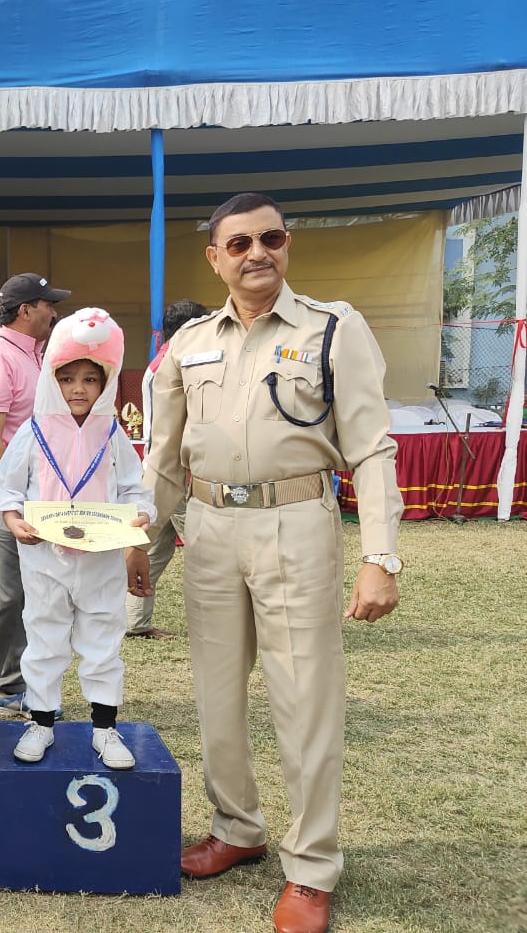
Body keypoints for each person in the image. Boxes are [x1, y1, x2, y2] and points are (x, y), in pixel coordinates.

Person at [133, 193, 402, 933]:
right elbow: (164, 460)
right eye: (240, 243)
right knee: (216, 691)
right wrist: (138, 539)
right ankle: (237, 827)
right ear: (214, 258)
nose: (258, 253)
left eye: (272, 238)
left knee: (304, 695)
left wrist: (381, 556)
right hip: (209, 527)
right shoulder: (188, 343)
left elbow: (372, 447)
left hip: (297, 522)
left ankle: (311, 865)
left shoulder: (332, 329)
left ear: (288, 245)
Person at [0, 307, 154, 768]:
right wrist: (13, 520)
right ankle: (41, 723)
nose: (78, 389)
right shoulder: (34, 431)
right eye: (67, 379)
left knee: (103, 641)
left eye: (90, 379)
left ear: (106, 382)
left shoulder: (112, 433)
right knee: (44, 638)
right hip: (44, 559)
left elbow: (134, 488)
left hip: (101, 559)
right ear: (51, 380)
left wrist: (140, 515)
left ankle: (105, 728)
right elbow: (7, 488)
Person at [0, 273, 70, 718]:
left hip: (39, 494)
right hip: (6, 494)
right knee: (3, 595)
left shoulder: (37, 357)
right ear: (26, 310)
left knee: (31, 595)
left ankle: (10, 687)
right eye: (48, 304)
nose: (54, 311)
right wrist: (7, 497)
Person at [124, 299, 210, 640]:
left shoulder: (158, 362)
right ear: (190, 329)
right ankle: (223, 622)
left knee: (154, 548)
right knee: (209, 551)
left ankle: (133, 620)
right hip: (178, 475)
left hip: (159, 471)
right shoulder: (180, 364)